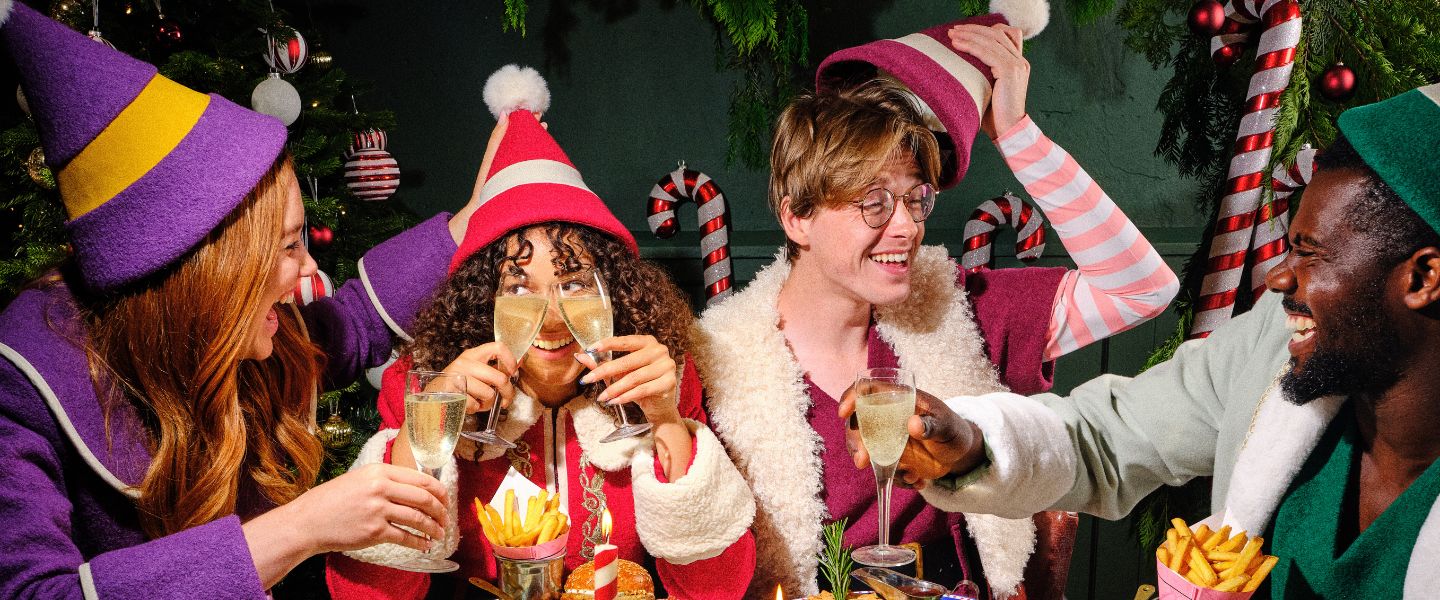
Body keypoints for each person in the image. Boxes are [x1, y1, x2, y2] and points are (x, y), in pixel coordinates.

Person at [854, 84, 1440, 597]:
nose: (1279, 278)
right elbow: (1106, 438)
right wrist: (974, 443)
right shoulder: (1273, 340)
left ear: (1422, 278)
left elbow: (1136, 286)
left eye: (1309, 252)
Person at [693, 10, 1179, 600]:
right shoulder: (716, 366)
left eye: (915, 199)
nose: (904, 227)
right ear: (797, 215)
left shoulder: (960, 314)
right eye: (872, 202)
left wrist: (1018, 134)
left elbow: (1143, 287)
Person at [0, 4, 480, 597]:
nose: (308, 267)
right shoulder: (26, 383)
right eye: (284, 247)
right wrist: (302, 527)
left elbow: (350, 322)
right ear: (204, 274)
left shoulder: (241, 339)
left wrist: (475, 217)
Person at [325, 66, 756, 599]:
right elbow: (366, 596)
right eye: (519, 285)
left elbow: (718, 591)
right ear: (481, 299)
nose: (551, 319)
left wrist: (668, 423)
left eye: (575, 284)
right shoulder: (419, 390)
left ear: (614, 293)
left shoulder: (659, 384)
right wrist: (424, 437)